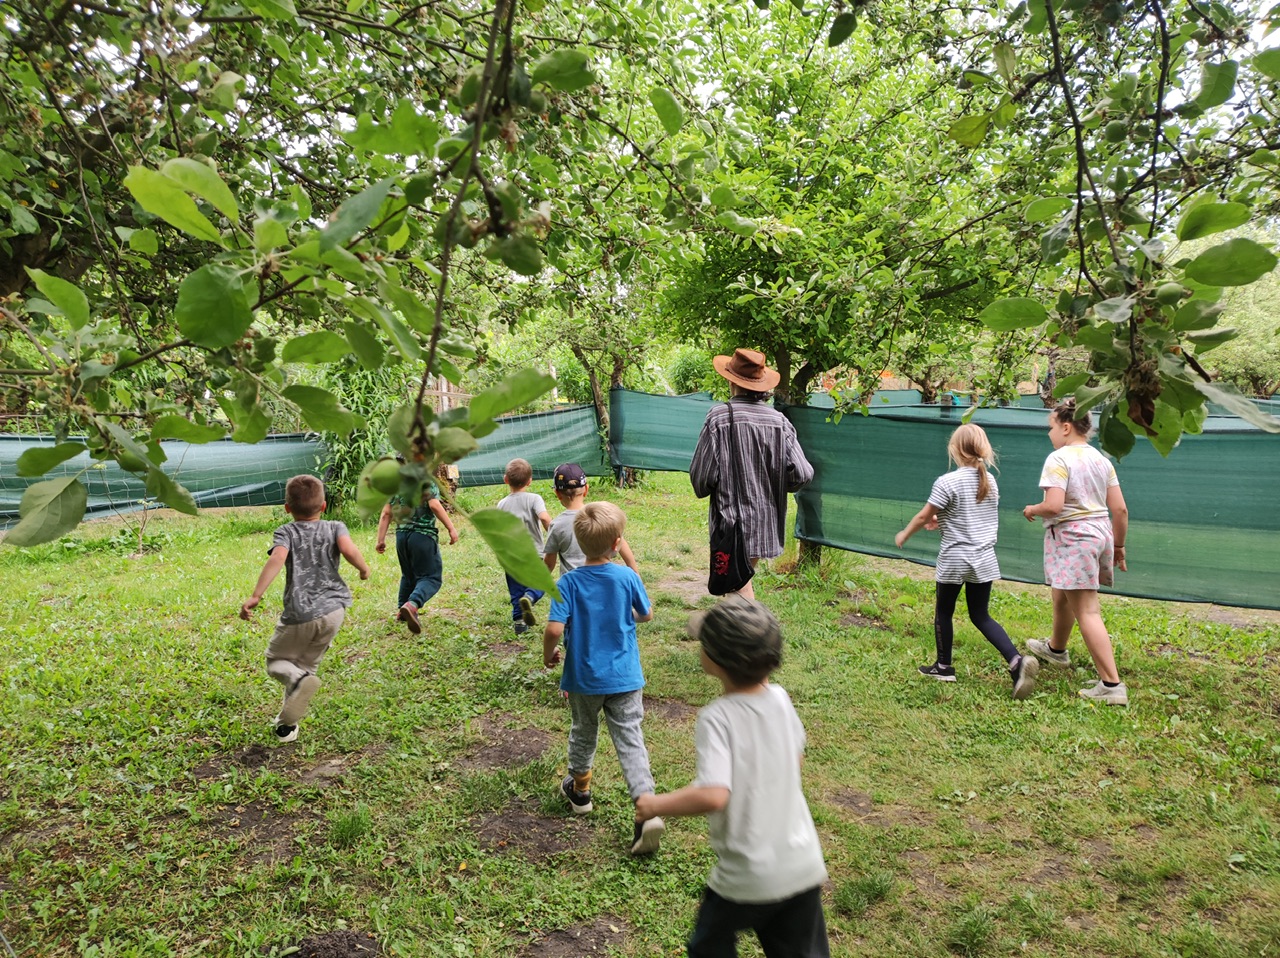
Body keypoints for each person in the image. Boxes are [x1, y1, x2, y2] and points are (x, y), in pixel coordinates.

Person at [635, 595, 829, 958]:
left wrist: (654, 804)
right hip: (802, 865)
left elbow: (714, 795)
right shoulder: (781, 699)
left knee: (708, 947)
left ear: (715, 661)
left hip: (748, 873)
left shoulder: (718, 717)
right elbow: (796, 761)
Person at [543, 501, 663, 856]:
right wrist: (625, 616)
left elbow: (554, 628)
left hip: (583, 678)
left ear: (579, 543)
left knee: (584, 730)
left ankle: (580, 791)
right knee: (630, 739)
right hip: (626, 677)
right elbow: (646, 614)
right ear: (617, 543)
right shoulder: (628, 577)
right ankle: (646, 806)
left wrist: (548, 653)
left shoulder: (567, 582)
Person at [895, 423, 1039, 699]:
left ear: (955, 449)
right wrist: (942, 518)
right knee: (980, 615)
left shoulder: (947, 481)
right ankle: (1016, 662)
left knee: (944, 611)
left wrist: (905, 533)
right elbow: (971, 515)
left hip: (955, 558)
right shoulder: (990, 481)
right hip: (983, 558)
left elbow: (924, 515)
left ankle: (943, 667)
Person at [240, 475, 371, 744]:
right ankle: (287, 726)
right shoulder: (336, 526)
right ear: (323, 506)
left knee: (278, 663)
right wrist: (363, 568)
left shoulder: (286, 532)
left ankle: (299, 683)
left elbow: (278, 558)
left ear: (287, 508)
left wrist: (256, 595)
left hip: (300, 613)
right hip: (334, 611)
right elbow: (348, 549)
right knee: (304, 669)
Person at [1023, 400, 1131, 706]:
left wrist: (1033, 509)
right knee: (1063, 592)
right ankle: (1056, 650)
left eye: (1051, 427)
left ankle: (1111, 685)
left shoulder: (1058, 458)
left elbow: (1053, 506)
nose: (1049, 433)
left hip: (1075, 538)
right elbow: (1120, 510)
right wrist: (1119, 546)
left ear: (1066, 427)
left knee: (1087, 610)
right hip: (1100, 534)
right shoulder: (1102, 460)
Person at [689, 348, 814, 600]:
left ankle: (750, 625)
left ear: (731, 381)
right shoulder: (779, 421)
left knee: (737, 585)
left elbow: (702, 477)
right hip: (766, 522)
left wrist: (709, 485)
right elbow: (802, 473)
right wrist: (777, 481)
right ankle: (737, 624)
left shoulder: (719, 417)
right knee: (737, 582)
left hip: (731, 521)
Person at [375, 465, 459, 635]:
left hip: (401, 537)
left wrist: (381, 540)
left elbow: (386, 513)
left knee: (408, 574)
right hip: (422, 536)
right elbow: (434, 505)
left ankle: (402, 612)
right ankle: (412, 604)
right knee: (432, 577)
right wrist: (451, 528)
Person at [542, 462, 639, 576]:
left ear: (557, 493)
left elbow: (549, 563)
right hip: (602, 579)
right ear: (586, 490)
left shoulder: (557, 525)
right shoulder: (599, 516)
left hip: (573, 584)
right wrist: (636, 574)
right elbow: (621, 543)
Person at [497, 457, 552, 635]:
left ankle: (520, 624)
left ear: (506, 479)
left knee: (515, 590)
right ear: (530, 481)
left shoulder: (502, 504)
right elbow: (544, 517)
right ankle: (530, 596)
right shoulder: (534, 499)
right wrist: (554, 534)